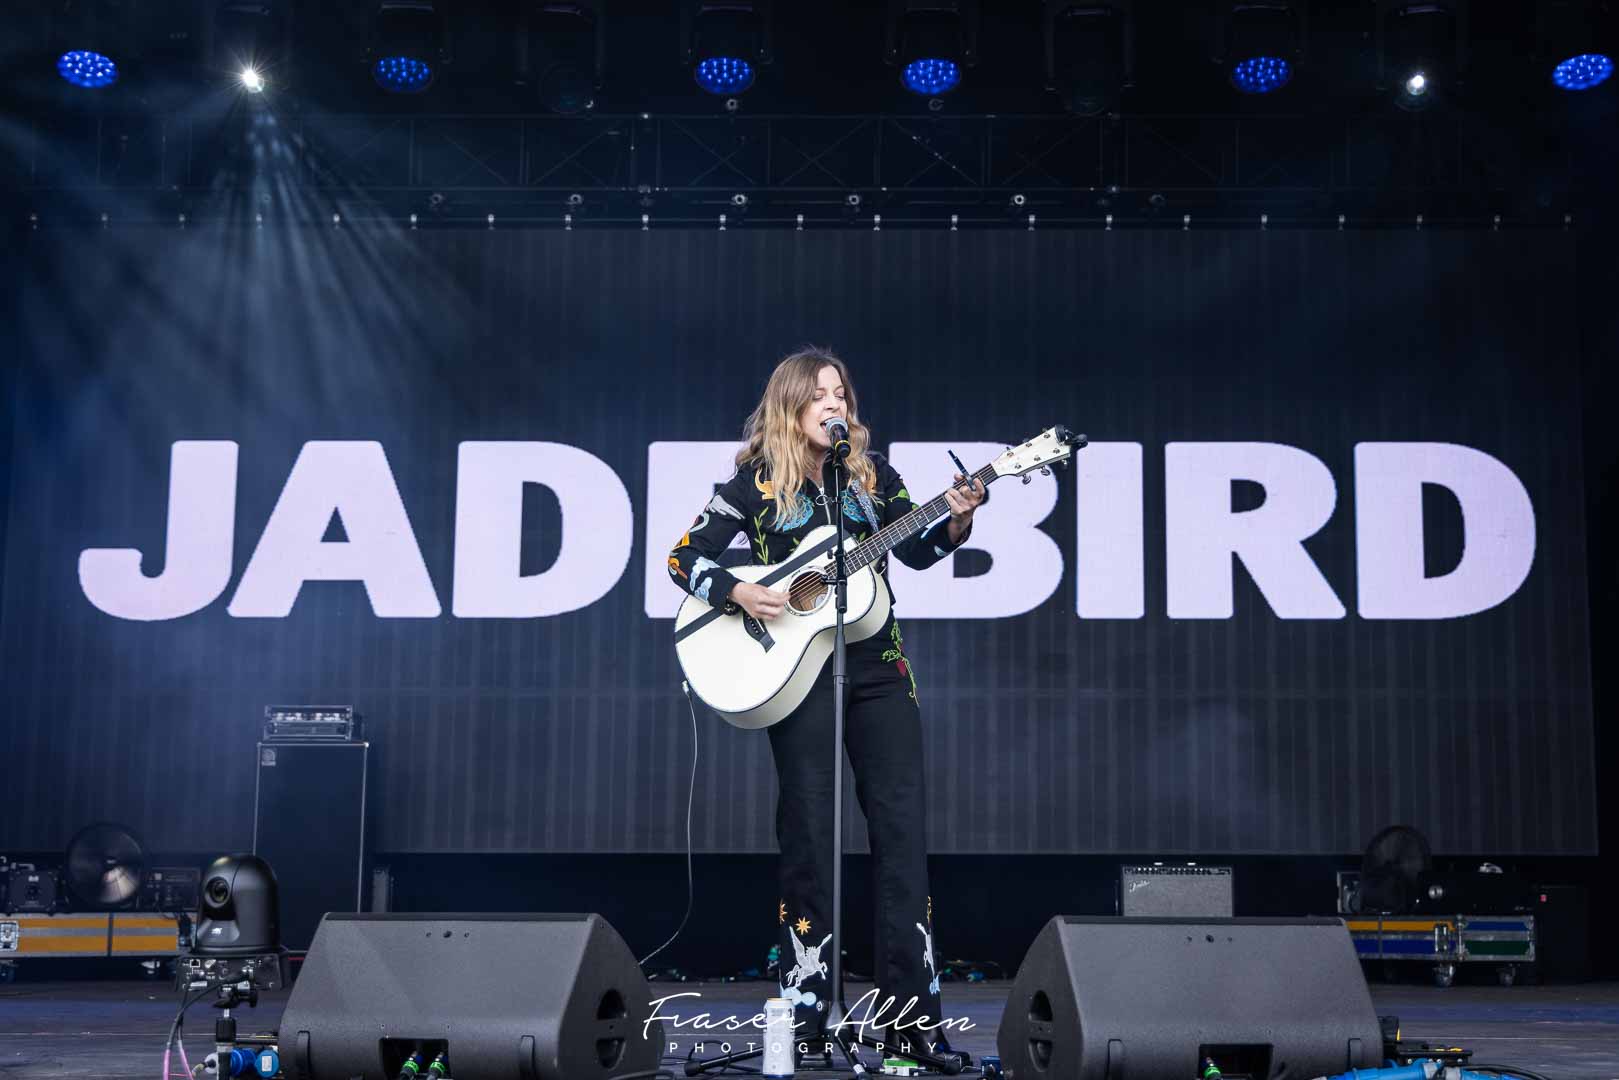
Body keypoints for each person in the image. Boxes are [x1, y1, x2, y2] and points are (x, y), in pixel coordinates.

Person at [666, 347, 985, 1060]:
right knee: (809, 838)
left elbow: (924, 549)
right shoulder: (757, 482)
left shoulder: (875, 477)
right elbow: (683, 558)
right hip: (798, 672)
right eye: (818, 395)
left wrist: (959, 517)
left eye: (840, 393)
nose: (833, 404)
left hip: (877, 667)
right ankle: (808, 1021)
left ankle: (910, 1026)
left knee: (901, 837)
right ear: (790, 405)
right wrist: (740, 591)